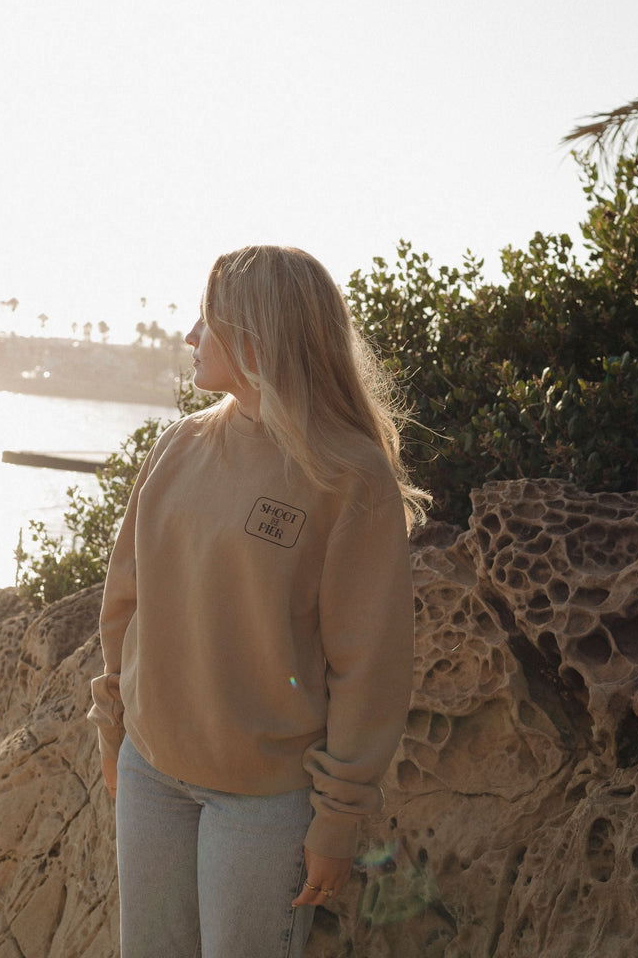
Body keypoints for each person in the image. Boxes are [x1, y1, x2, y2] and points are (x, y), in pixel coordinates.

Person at [88, 245, 430, 957]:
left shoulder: (348, 473)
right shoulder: (179, 446)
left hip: (264, 803)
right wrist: (114, 729)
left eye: (205, 322)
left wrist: (336, 820)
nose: (189, 337)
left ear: (255, 336)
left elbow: (368, 666)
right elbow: (126, 598)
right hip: (151, 774)